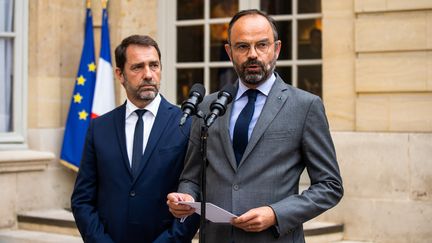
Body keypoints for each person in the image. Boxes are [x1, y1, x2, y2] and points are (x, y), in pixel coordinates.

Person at [167, 9, 343, 243]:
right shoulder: (209, 106)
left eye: (262, 45)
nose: (253, 55)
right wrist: (185, 198)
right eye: (242, 46)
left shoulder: (305, 106)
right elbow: (191, 176)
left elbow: (330, 186)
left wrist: (275, 214)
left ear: (276, 49)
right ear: (230, 52)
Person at [71, 35, 199, 243]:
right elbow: (82, 200)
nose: (148, 74)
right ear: (120, 75)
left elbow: (195, 198)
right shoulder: (99, 128)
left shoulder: (187, 124)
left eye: (154, 65)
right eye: (138, 67)